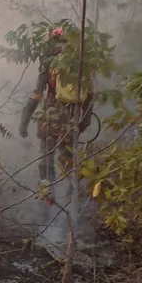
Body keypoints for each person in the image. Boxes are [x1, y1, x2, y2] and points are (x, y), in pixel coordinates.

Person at [18, 28, 94, 184]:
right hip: (72, 120)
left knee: (46, 157)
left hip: (50, 119)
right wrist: (85, 121)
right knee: (68, 160)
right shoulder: (80, 64)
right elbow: (90, 95)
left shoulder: (48, 63)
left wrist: (24, 121)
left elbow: (36, 95)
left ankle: (47, 197)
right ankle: (70, 198)